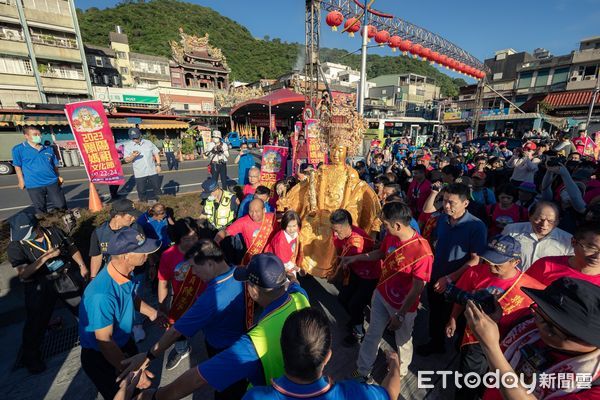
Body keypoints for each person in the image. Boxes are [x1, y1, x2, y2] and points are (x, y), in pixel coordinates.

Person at [140, 254, 310, 400]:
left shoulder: (254, 341)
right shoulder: (301, 298)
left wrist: (157, 396)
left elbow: (199, 377)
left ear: (254, 291)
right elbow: (296, 285)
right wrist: (292, 278)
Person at [123, 239, 248, 400]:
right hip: (243, 340)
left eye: (194, 267)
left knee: (227, 391)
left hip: (223, 350)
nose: (193, 273)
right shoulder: (240, 272)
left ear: (210, 263)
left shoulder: (212, 298)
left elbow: (175, 332)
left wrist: (148, 356)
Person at [445, 235, 544, 400]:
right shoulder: (474, 272)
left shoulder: (532, 288)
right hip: (475, 339)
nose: (491, 267)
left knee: (493, 381)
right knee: (468, 378)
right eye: (488, 260)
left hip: (507, 344)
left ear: (515, 262)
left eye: (497, 264)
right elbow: (460, 299)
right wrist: (453, 319)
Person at [466, 278, 600, 399]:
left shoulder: (593, 387)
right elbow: (502, 334)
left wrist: (491, 348)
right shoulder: (531, 320)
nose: (537, 323)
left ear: (586, 339)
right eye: (538, 311)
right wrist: (494, 320)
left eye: (548, 324)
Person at [342, 202, 433, 381]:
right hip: (381, 295)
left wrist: (400, 315)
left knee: (403, 341)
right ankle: (362, 371)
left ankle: (401, 372)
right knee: (372, 334)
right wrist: (356, 258)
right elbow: (380, 254)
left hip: (403, 307)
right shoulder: (391, 237)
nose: (383, 227)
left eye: (385, 224)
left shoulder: (423, 252)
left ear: (397, 225)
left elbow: (417, 288)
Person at [79, 228, 167, 399]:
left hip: (124, 341)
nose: (147, 254)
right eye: (142, 252)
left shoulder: (125, 272)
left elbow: (130, 297)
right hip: (103, 356)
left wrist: (152, 313)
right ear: (126, 256)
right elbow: (105, 341)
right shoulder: (101, 295)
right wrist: (132, 372)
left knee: (142, 391)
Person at [243, 308, 400, 400]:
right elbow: (390, 393)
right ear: (327, 356)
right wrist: (394, 365)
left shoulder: (255, 396)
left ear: (283, 349)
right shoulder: (352, 393)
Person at [278, 144, 381, 278]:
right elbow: (314, 188)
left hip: (340, 213)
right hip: (321, 211)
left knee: (338, 234)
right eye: (333, 149)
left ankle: (334, 268)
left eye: (340, 150)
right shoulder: (323, 169)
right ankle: (302, 264)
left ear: (347, 151)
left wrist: (342, 212)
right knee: (305, 230)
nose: (336, 154)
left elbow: (351, 196)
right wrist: (314, 207)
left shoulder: (350, 172)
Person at [7, 212, 87, 373]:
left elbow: (71, 247)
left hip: (63, 276)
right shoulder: (16, 246)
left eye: (28, 233)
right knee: (36, 321)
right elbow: (23, 273)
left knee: (83, 310)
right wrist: (45, 258)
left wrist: (82, 265)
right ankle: (30, 357)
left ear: (37, 227)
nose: (24, 237)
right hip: (39, 283)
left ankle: (96, 339)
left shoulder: (54, 232)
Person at [418, 183, 487, 356]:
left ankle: (460, 348)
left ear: (465, 203)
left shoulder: (476, 226)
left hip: (460, 282)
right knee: (435, 312)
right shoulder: (442, 219)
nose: (447, 206)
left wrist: (449, 278)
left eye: (452, 203)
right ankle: (436, 344)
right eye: (445, 201)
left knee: (458, 318)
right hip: (437, 276)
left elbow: (476, 259)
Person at [329, 209, 381, 346]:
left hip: (369, 276)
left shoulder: (355, 244)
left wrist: (332, 277)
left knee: (355, 304)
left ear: (347, 226)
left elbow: (341, 264)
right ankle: (356, 318)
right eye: (333, 230)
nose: (334, 234)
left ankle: (359, 332)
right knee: (343, 299)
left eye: (337, 231)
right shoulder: (344, 234)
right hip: (356, 272)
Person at [157, 218, 202, 370]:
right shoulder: (168, 256)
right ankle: (182, 350)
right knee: (177, 328)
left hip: (206, 298)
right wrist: (162, 305)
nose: (193, 241)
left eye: (195, 236)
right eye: (187, 238)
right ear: (178, 239)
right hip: (183, 300)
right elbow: (163, 282)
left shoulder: (204, 249)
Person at [12, 125, 67, 216]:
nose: (39, 136)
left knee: (61, 205)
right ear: (26, 136)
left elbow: (54, 165)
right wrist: (21, 181)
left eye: (39, 134)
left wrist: (58, 176)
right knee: (41, 209)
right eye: (35, 134)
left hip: (52, 182)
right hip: (33, 184)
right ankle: (47, 227)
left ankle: (65, 224)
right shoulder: (18, 149)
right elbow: (17, 166)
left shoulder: (48, 149)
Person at [502, 201, 573, 271]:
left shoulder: (568, 241)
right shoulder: (511, 230)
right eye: (539, 219)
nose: (544, 225)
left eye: (550, 221)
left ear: (557, 221)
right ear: (530, 216)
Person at [526, 222, 600, 286]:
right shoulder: (546, 265)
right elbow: (521, 295)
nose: (597, 256)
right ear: (573, 242)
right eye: (592, 248)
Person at [88, 199, 143, 280]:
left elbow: (145, 249)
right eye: (130, 216)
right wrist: (93, 277)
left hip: (135, 274)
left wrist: (152, 265)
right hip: (111, 274)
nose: (133, 219)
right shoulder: (99, 232)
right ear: (117, 217)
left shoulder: (136, 228)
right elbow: (96, 256)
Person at [216, 198, 276, 266]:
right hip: (254, 259)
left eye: (257, 211)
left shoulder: (272, 218)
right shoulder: (243, 221)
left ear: (264, 210)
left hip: (271, 258)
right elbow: (225, 232)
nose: (253, 214)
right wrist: (216, 241)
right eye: (251, 211)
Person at [123, 128, 163, 203]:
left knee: (157, 188)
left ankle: (161, 204)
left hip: (152, 171)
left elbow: (156, 153)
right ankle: (143, 204)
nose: (135, 139)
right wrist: (133, 156)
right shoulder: (128, 146)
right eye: (133, 138)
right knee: (141, 191)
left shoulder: (148, 143)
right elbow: (126, 160)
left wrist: (158, 165)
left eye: (136, 137)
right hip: (140, 173)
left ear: (140, 135)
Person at [265, 210, 303, 278]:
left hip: (290, 260)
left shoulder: (296, 232)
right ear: (284, 225)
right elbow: (284, 263)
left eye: (294, 226)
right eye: (288, 226)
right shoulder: (280, 241)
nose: (292, 229)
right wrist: (298, 269)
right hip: (279, 265)